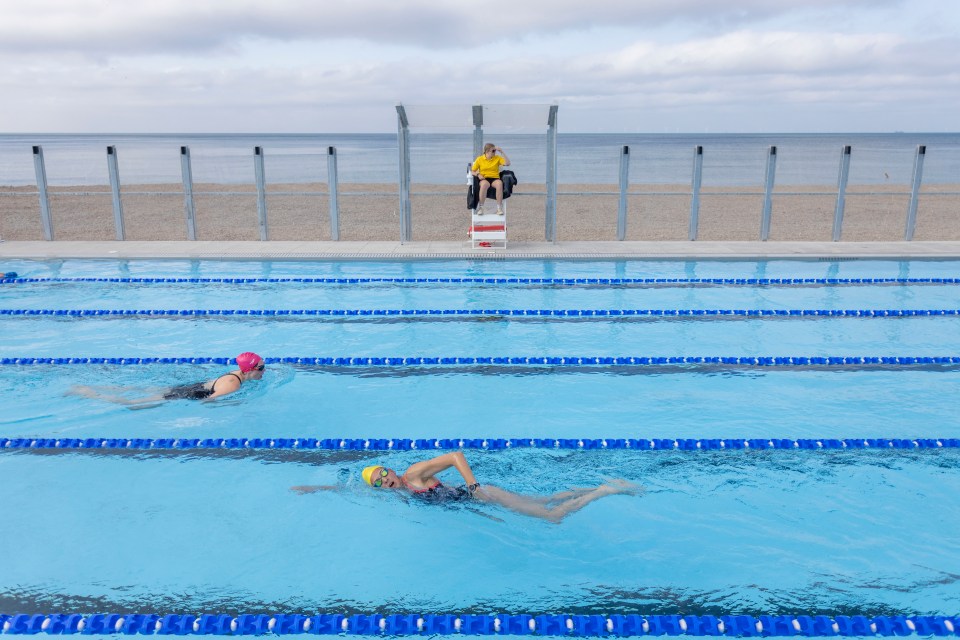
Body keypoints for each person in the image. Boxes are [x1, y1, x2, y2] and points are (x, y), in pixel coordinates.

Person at [291, 451, 640, 523]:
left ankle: (608, 491)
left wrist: (473, 488)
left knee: (552, 517)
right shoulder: (398, 490)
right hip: (480, 501)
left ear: (391, 469)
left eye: (383, 473)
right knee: (547, 499)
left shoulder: (413, 475)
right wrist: (317, 490)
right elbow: (353, 490)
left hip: (482, 493)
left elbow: (456, 454)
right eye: (379, 482)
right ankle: (601, 485)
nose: (385, 480)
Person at [68, 351, 265, 408]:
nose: (264, 371)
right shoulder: (233, 384)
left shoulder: (236, 373)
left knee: (140, 390)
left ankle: (95, 387)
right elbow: (209, 401)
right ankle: (89, 393)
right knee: (133, 404)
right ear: (248, 370)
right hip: (188, 393)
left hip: (190, 387)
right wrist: (237, 402)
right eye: (261, 368)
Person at [470, 143, 511, 216]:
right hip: (484, 178)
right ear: (487, 151)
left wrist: (502, 152)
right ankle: (481, 208)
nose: (495, 152)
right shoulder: (480, 159)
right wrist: (478, 174)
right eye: (493, 151)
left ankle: (499, 208)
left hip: (494, 178)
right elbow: (472, 171)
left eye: (495, 150)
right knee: (484, 184)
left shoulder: (497, 158)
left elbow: (508, 163)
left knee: (499, 184)